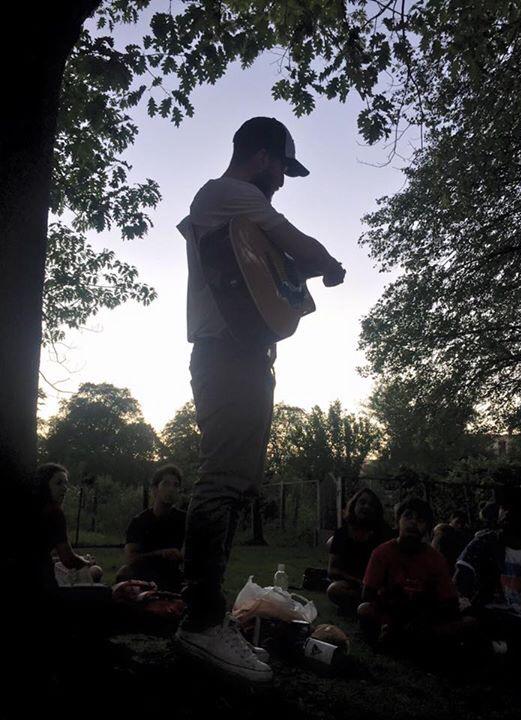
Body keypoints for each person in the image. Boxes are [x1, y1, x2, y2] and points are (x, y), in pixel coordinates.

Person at [175, 116, 345, 681]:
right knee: (221, 479)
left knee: (235, 480)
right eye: (283, 169)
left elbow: (274, 261)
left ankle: (206, 619)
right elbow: (299, 244)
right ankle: (200, 622)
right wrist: (329, 265)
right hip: (225, 355)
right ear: (265, 157)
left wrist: (299, 273)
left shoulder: (236, 212)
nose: (284, 180)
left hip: (242, 355)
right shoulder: (230, 193)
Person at [358, 496, 463, 652]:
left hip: (425, 618)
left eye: (420, 520)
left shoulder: (436, 558)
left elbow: (450, 602)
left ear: (427, 528)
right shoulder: (382, 552)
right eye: (408, 516)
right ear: (397, 521)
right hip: (390, 615)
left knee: (467, 623)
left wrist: (425, 614)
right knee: (364, 609)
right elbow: (367, 594)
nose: (413, 523)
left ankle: (404, 639)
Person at [454, 486, 521, 667]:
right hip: (484, 617)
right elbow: (460, 584)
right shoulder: (484, 543)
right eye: (505, 506)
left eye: (517, 508)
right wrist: (464, 603)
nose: (508, 512)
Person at [30, 463, 102, 591]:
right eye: (58, 483)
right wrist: (86, 562)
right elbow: (68, 560)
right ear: (44, 485)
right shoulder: (54, 513)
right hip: (41, 582)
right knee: (96, 572)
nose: (64, 488)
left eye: (65, 483)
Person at [116, 464, 186, 592]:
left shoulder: (184, 520)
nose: (171, 489)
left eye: (176, 485)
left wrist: (181, 556)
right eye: (166, 484)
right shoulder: (139, 522)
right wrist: (161, 554)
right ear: (154, 489)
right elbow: (131, 558)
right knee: (123, 573)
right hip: (144, 577)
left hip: (173, 576)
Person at [327, 488, 392, 615]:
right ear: (354, 505)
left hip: (377, 586)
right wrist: (357, 581)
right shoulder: (342, 534)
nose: (366, 507)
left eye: (371, 504)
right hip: (352, 584)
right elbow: (332, 570)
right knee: (334, 590)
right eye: (362, 503)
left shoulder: (384, 533)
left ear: (376, 510)